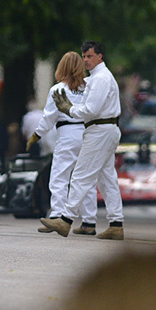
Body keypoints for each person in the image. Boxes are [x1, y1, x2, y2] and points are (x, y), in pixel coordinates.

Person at [51, 41, 124, 239]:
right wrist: (72, 109)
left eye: (90, 56)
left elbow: (91, 110)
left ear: (100, 56)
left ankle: (65, 219)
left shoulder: (100, 78)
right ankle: (116, 223)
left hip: (100, 129)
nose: (86, 60)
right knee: (107, 178)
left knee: (81, 175)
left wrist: (69, 109)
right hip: (105, 128)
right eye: (84, 57)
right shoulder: (99, 77)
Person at [30, 52, 88, 233]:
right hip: (87, 133)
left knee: (60, 176)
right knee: (85, 178)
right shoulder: (89, 88)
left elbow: (48, 118)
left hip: (67, 134)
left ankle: (57, 215)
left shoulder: (58, 90)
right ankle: (89, 220)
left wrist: (36, 135)